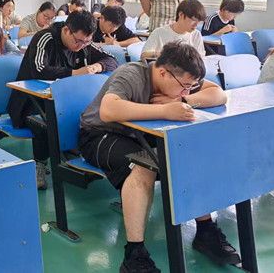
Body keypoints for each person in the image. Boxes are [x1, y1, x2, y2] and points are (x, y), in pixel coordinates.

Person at [79, 42, 238, 272]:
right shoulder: (132, 73)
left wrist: (183, 101)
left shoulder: (180, 77)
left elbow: (218, 94)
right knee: (144, 165)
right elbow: (108, 110)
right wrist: (164, 110)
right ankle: (134, 254)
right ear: (163, 73)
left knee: (188, 154)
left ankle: (205, 231)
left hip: (141, 134)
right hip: (100, 135)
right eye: (185, 87)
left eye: (190, 87)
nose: (187, 90)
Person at [7, 11, 118, 189]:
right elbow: (39, 69)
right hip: (29, 103)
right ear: (66, 30)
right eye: (78, 41)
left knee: (92, 114)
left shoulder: (83, 42)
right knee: (45, 121)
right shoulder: (45, 38)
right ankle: (39, 164)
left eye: (87, 42)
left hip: (63, 102)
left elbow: (112, 60)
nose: (81, 46)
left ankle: (80, 154)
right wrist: (74, 73)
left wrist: (98, 66)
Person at [141, 0, 206, 60]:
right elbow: (144, 55)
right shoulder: (159, 32)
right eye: (193, 20)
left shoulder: (196, 35)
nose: (196, 25)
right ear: (181, 14)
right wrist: (165, 55)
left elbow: (200, 59)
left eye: (199, 21)